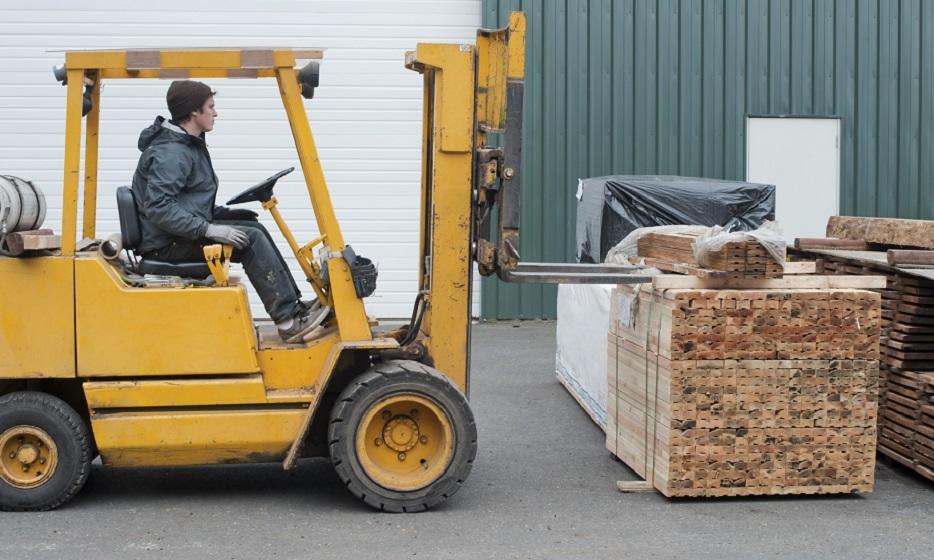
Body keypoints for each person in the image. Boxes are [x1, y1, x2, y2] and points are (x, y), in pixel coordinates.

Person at [131, 80, 327, 343]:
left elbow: (188, 202)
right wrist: (210, 229)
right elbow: (159, 207)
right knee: (251, 240)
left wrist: (224, 216)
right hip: (166, 244)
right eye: (210, 107)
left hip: (176, 234)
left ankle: (294, 307)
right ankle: (288, 321)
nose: (216, 112)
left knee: (253, 228)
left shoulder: (187, 144)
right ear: (193, 113)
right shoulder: (172, 154)